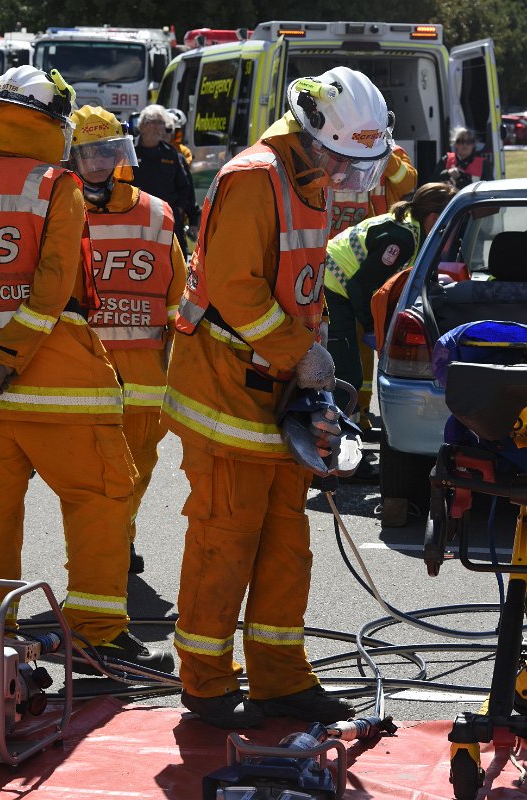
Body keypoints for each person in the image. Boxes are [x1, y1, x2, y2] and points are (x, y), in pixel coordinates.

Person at [160, 66, 394, 728]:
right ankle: (204, 684)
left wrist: (306, 365)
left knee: (286, 545)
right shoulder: (252, 176)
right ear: (313, 133)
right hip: (225, 394)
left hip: (278, 391)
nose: (347, 177)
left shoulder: (308, 178)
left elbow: (298, 289)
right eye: (342, 160)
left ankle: (280, 679)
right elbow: (237, 292)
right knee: (224, 541)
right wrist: (302, 355)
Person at [0, 65, 174, 673]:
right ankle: (97, 633)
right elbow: (51, 288)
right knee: (103, 494)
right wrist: (9, 354)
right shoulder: (54, 185)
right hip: (55, 381)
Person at [68, 105, 187, 575]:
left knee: (136, 473)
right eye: (87, 154)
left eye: (106, 152)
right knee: (89, 478)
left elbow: (178, 299)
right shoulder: (60, 210)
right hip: (81, 372)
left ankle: (121, 538)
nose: (98, 164)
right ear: (70, 159)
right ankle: (101, 550)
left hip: (143, 380)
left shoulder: (157, 214)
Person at [324, 182, 457, 418]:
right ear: (434, 216)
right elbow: (360, 286)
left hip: (335, 287)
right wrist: (370, 326)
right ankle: (341, 439)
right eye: (445, 222)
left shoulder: (411, 229)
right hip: (331, 288)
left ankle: (347, 427)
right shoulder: (402, 239)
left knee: (348, 366)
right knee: (346, 370)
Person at [330, 143, 418, 447]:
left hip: (377, 255)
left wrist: (381, 148)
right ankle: (341, 413)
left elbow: (407, 182)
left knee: (361, 348)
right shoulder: (332, 147)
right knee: (340, 345)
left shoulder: (392, 151)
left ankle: (359, 411)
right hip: (341, 257)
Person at [132, 104, 191, 257]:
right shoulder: (130, 151)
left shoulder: (171, 154)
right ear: (143, 126)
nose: (160, 128)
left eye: (162, 123)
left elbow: (184, 187)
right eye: (155, 122)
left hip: (168, 219)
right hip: (137, 219)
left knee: (174, 261)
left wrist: (178, 209)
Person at [163, 110, 200, 253]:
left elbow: (187, 190)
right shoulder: (141, 153)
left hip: (174, 217)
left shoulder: (180, 155)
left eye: (171, 131)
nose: (168, 134)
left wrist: (192, 221)